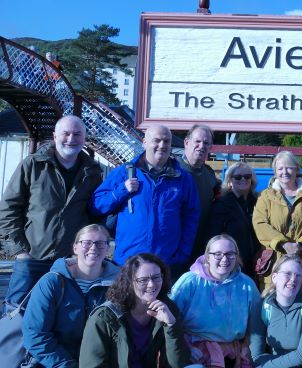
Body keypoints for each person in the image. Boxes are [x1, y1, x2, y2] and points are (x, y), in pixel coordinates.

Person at [0, 115, 103, 313]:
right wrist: (20, 252)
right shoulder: (32, 165)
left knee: (61, 317)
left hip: (70, 262)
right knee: (16, 315)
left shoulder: (93, 173)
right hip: (32, 259)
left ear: (84, 139)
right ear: (55, 136)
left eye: (77, 134)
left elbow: (95, 214)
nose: (71, 139)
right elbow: (8, 208)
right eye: (66, 133)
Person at [90, 125, 200, 278]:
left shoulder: (183, 178)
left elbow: (191, 217)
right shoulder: (124, 172)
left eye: (166, 141)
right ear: (144, 142)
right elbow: (96, 205)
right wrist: (121, 190)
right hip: (127, 263)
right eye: (157, 140)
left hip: (165, 263)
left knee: (160, 303)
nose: (162, 145)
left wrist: (183, 253)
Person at [22, 224, 121, 367]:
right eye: (86, 243)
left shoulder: (119, 285)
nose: (93, 248)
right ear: (75, 248)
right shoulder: (52, 282)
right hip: (53, 363)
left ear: (107, 248)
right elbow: (34, 334)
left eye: (100, 243)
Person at [79, 253, 190, 368]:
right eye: (143, 280)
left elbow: (179, 364)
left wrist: (171, 326)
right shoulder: (103, 318)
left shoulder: (167, 309)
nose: (151, 285)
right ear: (130, 282)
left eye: (156, 277)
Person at [170, 234, 261, 367]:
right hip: (194, 351)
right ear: (208, 257)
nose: (224, 259)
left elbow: (256, 325)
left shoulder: (247, 284)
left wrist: (249, 349)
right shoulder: (189, 281)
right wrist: (186, 346)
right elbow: (170, 318)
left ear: (236, 256)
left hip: (233, 352)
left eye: (230, 254)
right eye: (217, 254)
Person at [254, 151, 302, 294]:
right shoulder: (266, 196)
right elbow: (260, 224)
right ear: (275, 172)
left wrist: (301, 243)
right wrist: (283, 243)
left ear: (297, 168)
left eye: (289, 167)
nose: (285, 172)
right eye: (280, 168)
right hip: (274, 267)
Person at [252, 254, 302, 368]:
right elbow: (256, 355)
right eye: (287, 274)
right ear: (274, 277)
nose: (293, 279)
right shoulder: (263, 305)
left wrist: (265, 366)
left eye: (298, 275)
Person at [207, 161, 259, 279]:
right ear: (230, 181)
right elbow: (213, 237)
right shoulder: (221, 205)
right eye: (237, 177)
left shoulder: (258, 203)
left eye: (247, 176)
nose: (243, 179)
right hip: (232, 264)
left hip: (256, 264)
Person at [178, 124, 220, 262]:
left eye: (206, 143)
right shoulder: (172, 170)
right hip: (175, 246)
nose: (201, 146)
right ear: (186, 142)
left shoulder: (209, 174)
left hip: (200, 248)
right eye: (197, 141)